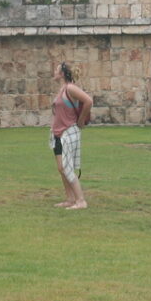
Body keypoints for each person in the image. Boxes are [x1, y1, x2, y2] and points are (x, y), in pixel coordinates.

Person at [50, 61, 93, 209]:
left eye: (56, 70)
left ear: (62, 73)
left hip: (68, 131)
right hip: (58, 133)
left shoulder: (70, 88)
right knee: (61, 168)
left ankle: (80, 201)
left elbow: (88, 101)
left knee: (66, 168)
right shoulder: (62, 89)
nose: (54, 72)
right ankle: (70, 199)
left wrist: (81, 121)